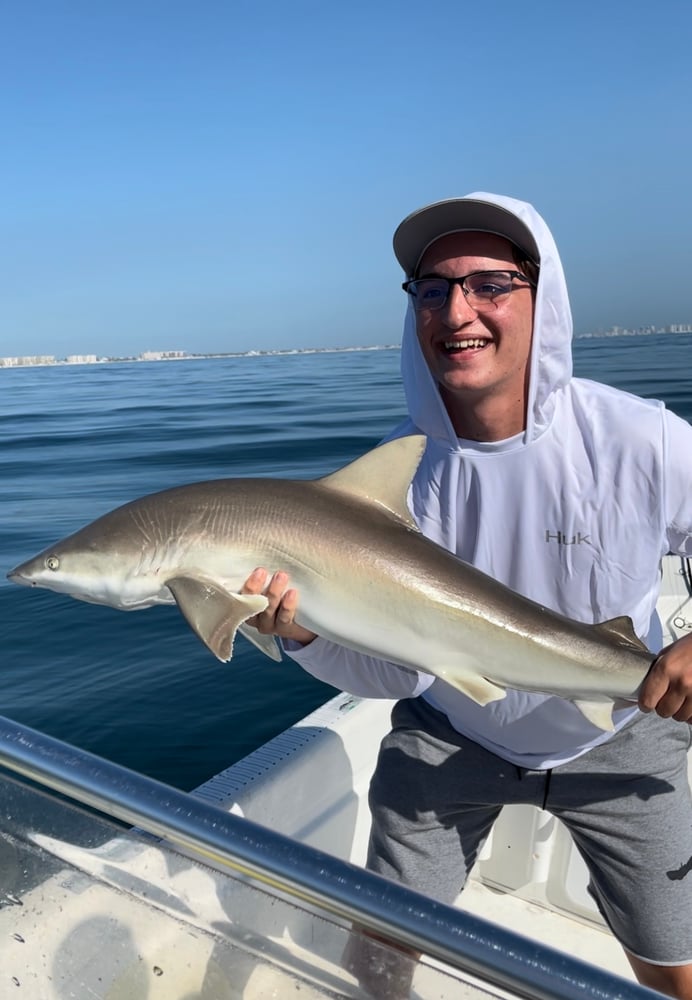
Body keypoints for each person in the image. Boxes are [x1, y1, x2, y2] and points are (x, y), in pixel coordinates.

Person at [241, 193, 692, 999]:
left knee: (674, 959)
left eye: (490, 283)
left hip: (622, 731)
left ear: (540, 295)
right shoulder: (388, 484)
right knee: (379, 950)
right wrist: (304, 635)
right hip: (453, 733)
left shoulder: (641, 440)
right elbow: (396, 677)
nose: (459, 311)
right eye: (432, 288)